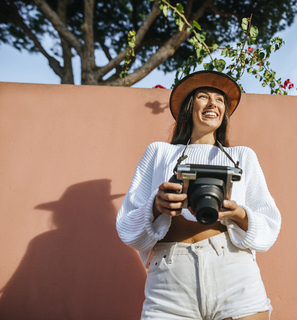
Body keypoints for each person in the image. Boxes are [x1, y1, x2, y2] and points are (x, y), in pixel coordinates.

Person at [116, 70, 281, 320]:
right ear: (189, 107)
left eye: (220, 99)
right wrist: (156, 206)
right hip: (170, 276)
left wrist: (237, 213)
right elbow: (127, 227)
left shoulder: (242, 156)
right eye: (203, 96)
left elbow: (269, 226)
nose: (213, 103)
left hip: (233, 268)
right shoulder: (158, 152)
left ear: (224, 112)